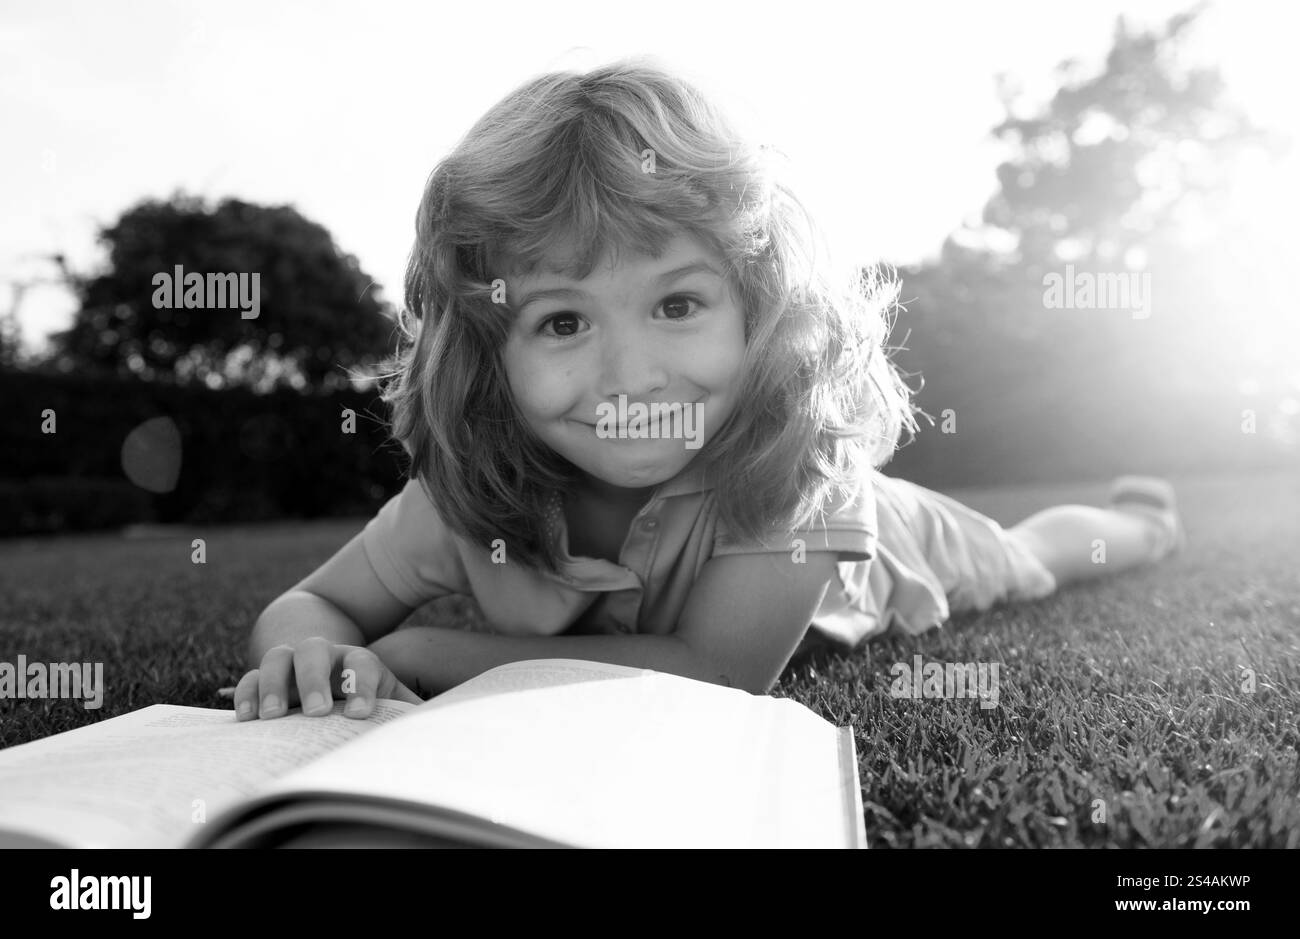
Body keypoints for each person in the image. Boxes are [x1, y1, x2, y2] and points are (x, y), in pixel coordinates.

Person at [230, 58, 1184, 721]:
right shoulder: (458, 501)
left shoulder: (800, 466)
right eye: (562, 322)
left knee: (1027, 558)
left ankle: (1142, 525)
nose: (631, 374)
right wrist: (314, 650)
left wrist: (427, 655)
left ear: (757, 307)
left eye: (678, 303)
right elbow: (305, 606)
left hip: (898, 548)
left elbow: (715, 673)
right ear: (487, 352)